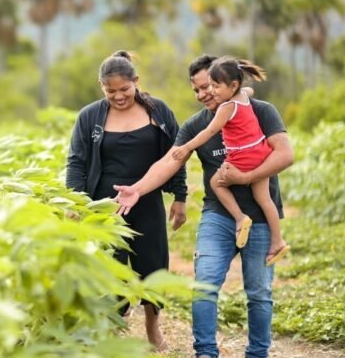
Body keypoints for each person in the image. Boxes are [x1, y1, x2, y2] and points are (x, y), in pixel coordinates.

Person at [113, 54, 294, 358]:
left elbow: (285, 155)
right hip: (218, 216)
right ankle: (206, 353)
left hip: (261, 216)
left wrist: (246, 176)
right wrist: (138, 190)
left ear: (225, 84)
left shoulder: (261, 111)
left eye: (207, 86)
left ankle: (257, 354)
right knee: (204, 287)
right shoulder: (196, 125)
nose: (202, 94)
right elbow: (169, 161)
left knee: (259, 294)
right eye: (196, 90)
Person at [65, 50, 188, 351]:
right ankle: (114, 323)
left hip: (147, 200)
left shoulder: (158, 111)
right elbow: (77, 162)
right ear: (101, 86)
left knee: (152, 262)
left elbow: (177, 154)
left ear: (137, 81)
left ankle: (152, 324)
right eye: (111, 91)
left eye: (125, 89)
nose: (119, 96)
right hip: (104, 205)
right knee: (109, 264)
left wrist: (180, 196)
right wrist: (76, 202)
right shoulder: (90, 116)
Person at [170, 57, 290, 266]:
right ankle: (277, 241)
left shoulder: (226, 108)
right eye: (199, 90)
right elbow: (248, 91)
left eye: (213, 86)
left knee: (217, 183)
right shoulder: (243, 95)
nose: (211, 93)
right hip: (259, 154)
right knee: (265, 200)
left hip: (242, 158)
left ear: (232, 85)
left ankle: (239, 218)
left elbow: (210, 131)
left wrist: (187, 147)